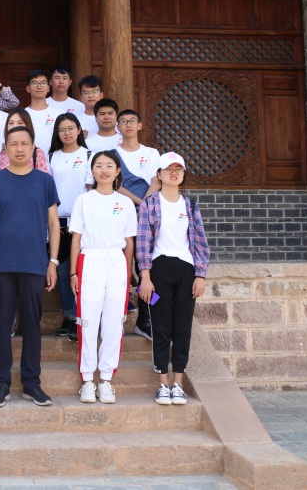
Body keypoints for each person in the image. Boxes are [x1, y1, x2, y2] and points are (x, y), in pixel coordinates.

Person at [0, 126, 61, 408]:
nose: (19, 148)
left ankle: (31, 383)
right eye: (13, 144)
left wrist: (52, 262)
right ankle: (1, 382)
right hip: (1, 263)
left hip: (34, 263)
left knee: (32, 325)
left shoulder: (45, 181)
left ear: (33, 148)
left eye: (24, 143)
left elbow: (54, 223)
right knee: (2, 324)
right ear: (5, 148)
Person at [136, 152, 210, 406]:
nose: (174, 173)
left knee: (182, 327)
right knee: (161, 326)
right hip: (158, 271)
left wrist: (200, 275)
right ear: (159, 174)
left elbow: (200, 243)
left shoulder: (190, 206)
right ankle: (162, 383)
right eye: (169, 169)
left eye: (179, 169)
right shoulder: (149, 205)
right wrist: (145, 276)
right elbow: (143, 242)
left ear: (183, 174)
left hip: (186, 271)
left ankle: (178, 383)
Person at [69, 150, 137, 405]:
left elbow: (129, 242)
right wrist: (73, 272)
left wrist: (128, 272)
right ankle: (88, 379)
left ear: (118, 171)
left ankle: (106, 379)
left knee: (113, 321)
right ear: (92, 171)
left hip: (116, 261)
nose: (104, 170)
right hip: (90, 259)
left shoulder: (125, 203)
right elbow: (76, 238)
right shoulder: (83, 200)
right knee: (88, 320)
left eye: (109, 165)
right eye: (98, 165)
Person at [114, 109, 161, 340]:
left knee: (147, 267)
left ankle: (146, 317)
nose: (128, 125)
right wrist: (140, 203)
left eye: (132, 121)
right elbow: (116, 184)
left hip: (147, 216)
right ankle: (118, 315)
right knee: (121, 266)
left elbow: (156, 181)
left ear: (140, 125)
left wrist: (145, 206)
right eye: (123, 121)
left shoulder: (151, 153)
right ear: (118, 127)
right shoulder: (112, 154)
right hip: (122, 214)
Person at [47, 113, 90, 342]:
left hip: (81, 221)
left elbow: (91, 190)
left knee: (80, 271)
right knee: (63, 271)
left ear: (79, 130)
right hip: (58, 221)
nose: (67, 133)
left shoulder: (88, 155)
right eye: (62, 129)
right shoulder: (51, 156)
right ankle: (68, 316)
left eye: (71, 128)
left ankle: (79, 317)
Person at [0, 109, 50, 174]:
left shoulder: (37, 153)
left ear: (27, 125)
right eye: (11, 123)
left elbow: (44, 178)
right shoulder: (0, 156)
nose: (15, 126)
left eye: (20, 123)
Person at [24, 69, 64, 151]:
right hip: (29, 158)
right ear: (28, 88)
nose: (39, 86)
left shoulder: (59, 114)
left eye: (43, 83)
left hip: (55, 157)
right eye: (34, 83)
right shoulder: (22, 115)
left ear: (48, 88)